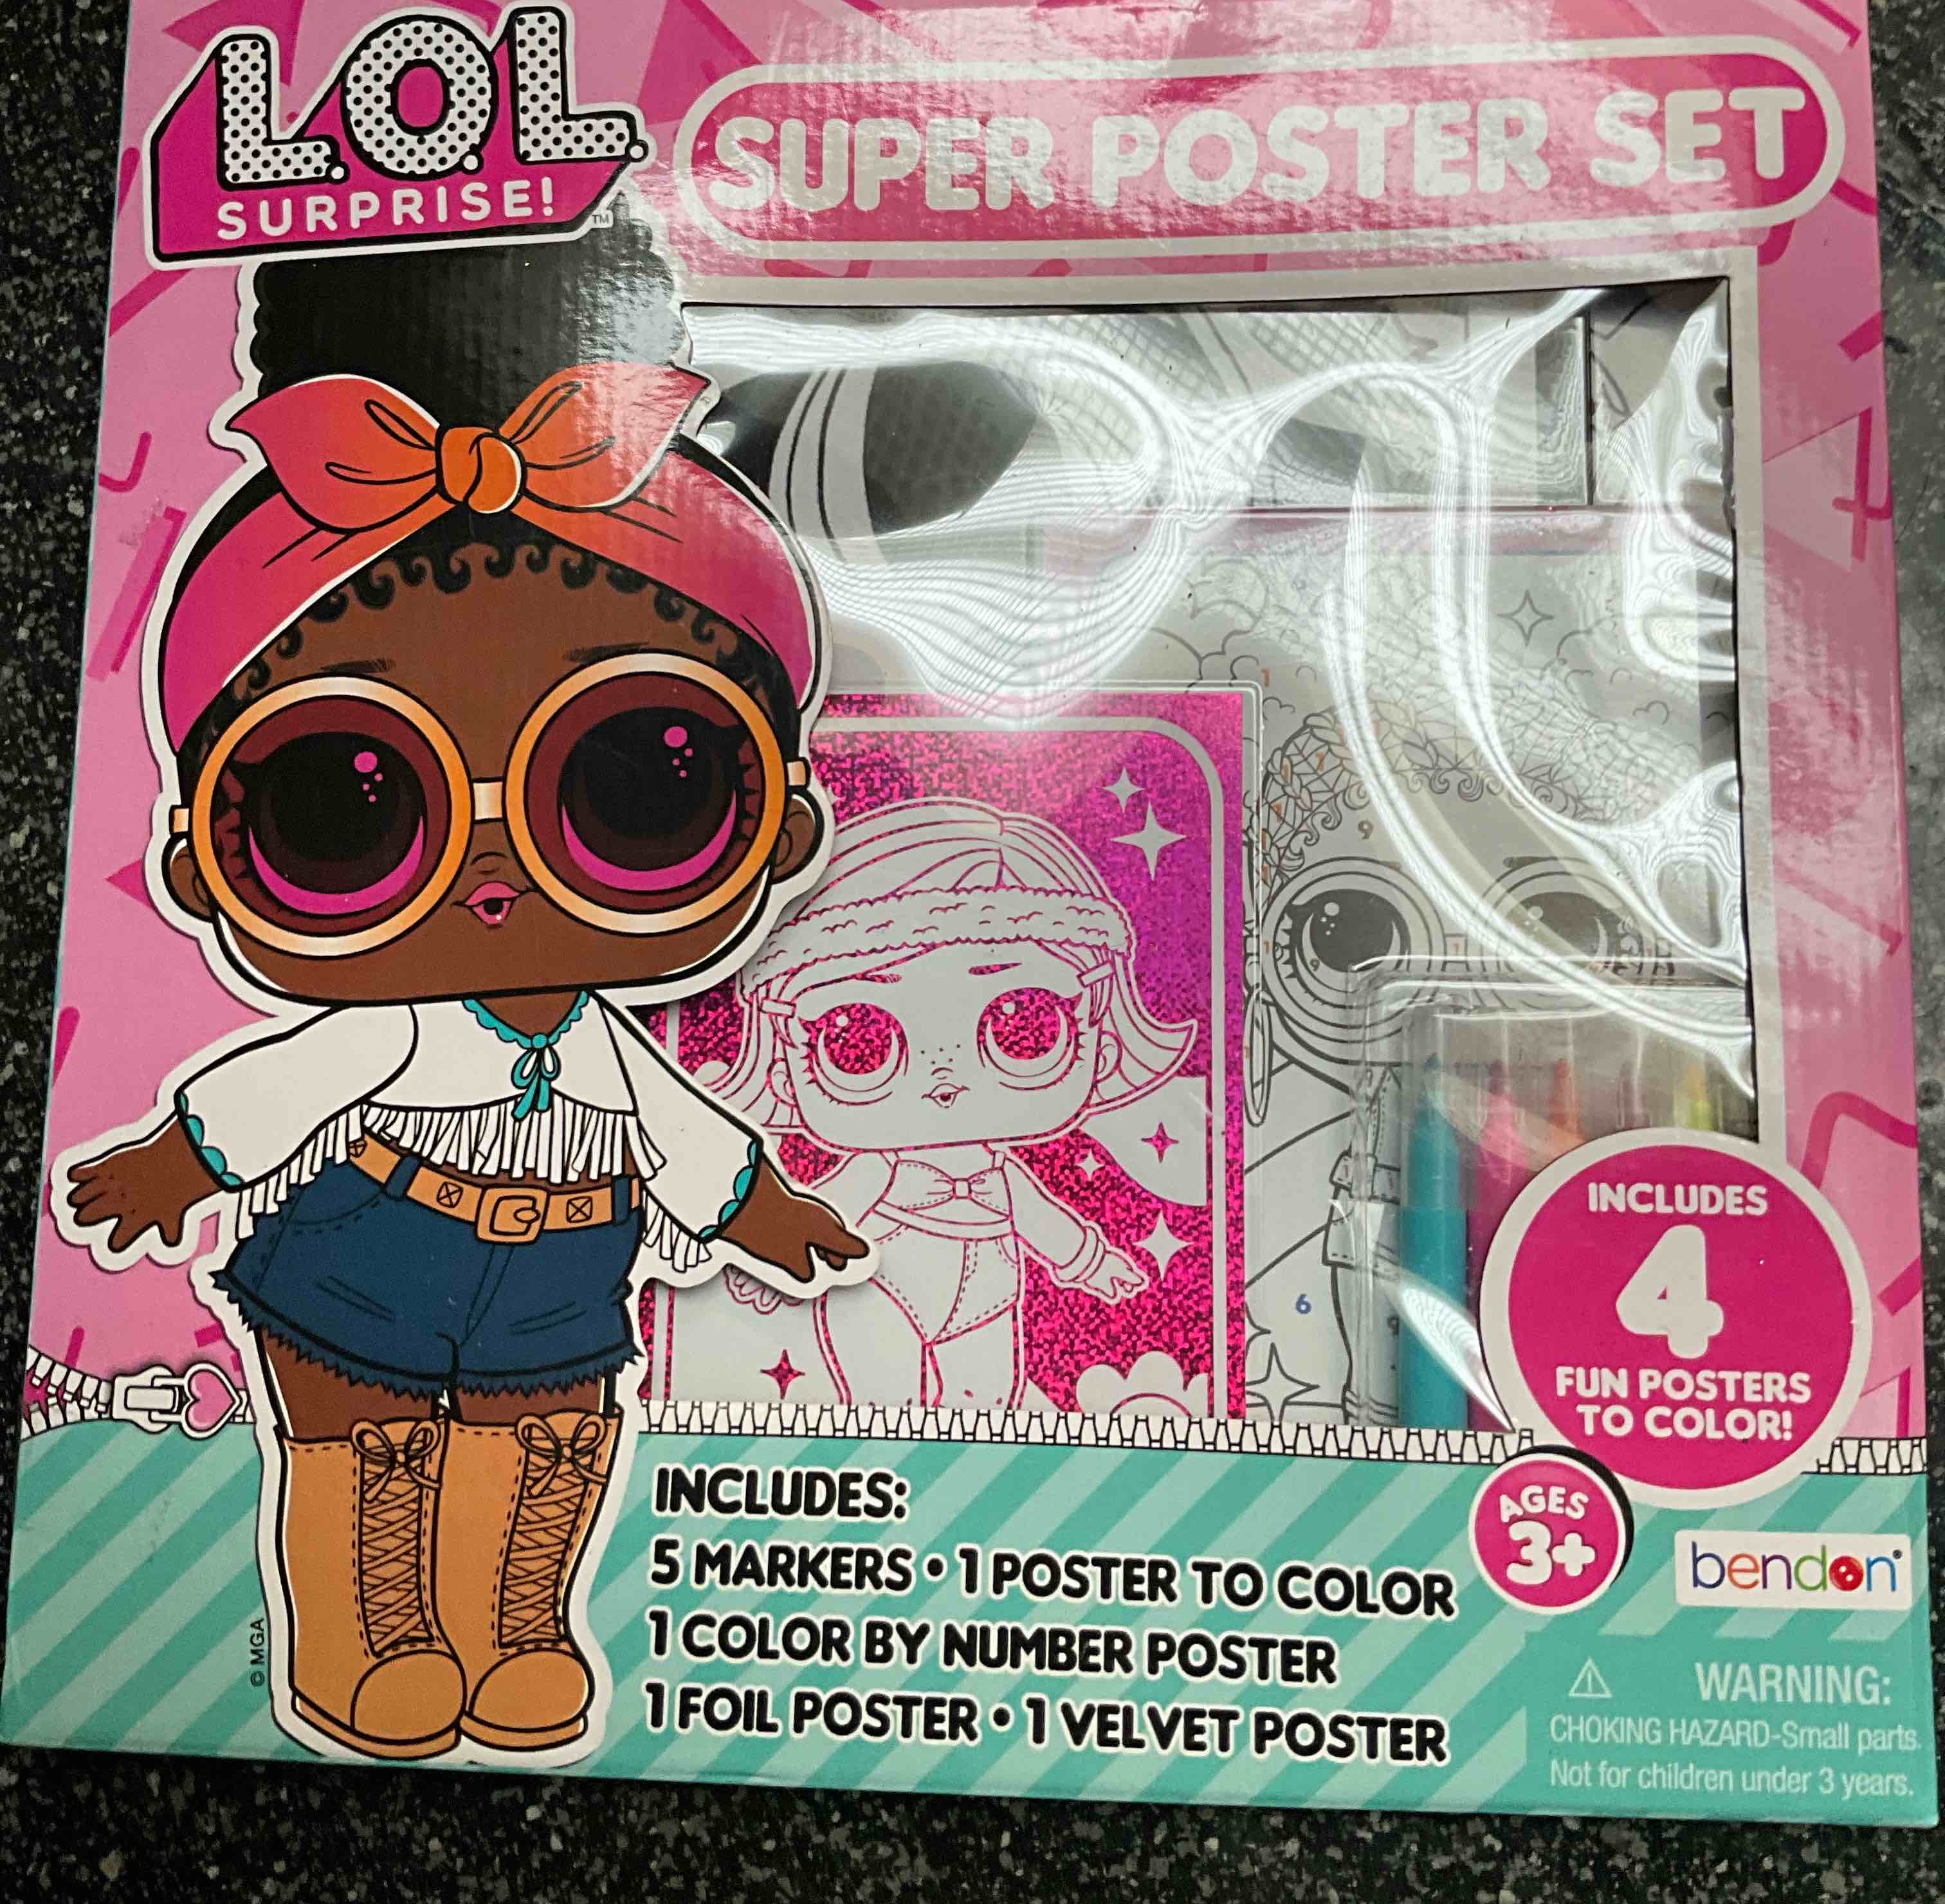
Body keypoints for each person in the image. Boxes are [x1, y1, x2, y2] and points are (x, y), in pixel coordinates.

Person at [60, 215, 864, 1763]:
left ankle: (517, 1639)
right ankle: (369, 1647)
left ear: (781, 828)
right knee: (366, 1462)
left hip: (567, 1267)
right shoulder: (390, 1028)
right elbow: (282, 1086)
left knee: (548, 1452)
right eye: (346, 812)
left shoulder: (607, 1048)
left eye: (638, 786)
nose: (494, 883)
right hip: (374, 1242)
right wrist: (177, 1164)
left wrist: (764, 1212)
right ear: (201, 861)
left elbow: (681, 1135)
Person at [715, 799, 1194, 1408]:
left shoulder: (1001, 1176)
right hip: (880, 1285)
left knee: (988, 1401)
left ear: (1098, 1034)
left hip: (991, 1293)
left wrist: (1092, 1262)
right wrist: (775, 1252)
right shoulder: (877, 1170)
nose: (944, 1082)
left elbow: (1043, 1219)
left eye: (1023, 1024)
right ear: (787, 1061)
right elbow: (820, 1214)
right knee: (883, 1401)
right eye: (858, 1034)